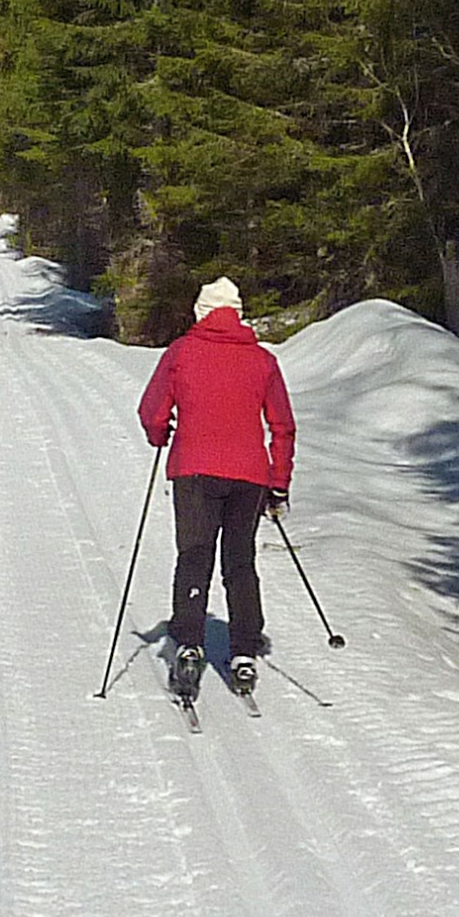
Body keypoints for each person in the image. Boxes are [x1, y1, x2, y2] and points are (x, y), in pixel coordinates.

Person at [136, 277, 296, 699]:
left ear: (201, 313)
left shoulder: (181, 353)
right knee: (239, 561)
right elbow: (282, 426)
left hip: (194, 471)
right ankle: (244, 650)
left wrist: (160, 433)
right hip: (249, 477)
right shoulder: (262, 361)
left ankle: (189, 644)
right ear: (239, 315)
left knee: (194, 555)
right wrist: (278, 484)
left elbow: (151, 411)